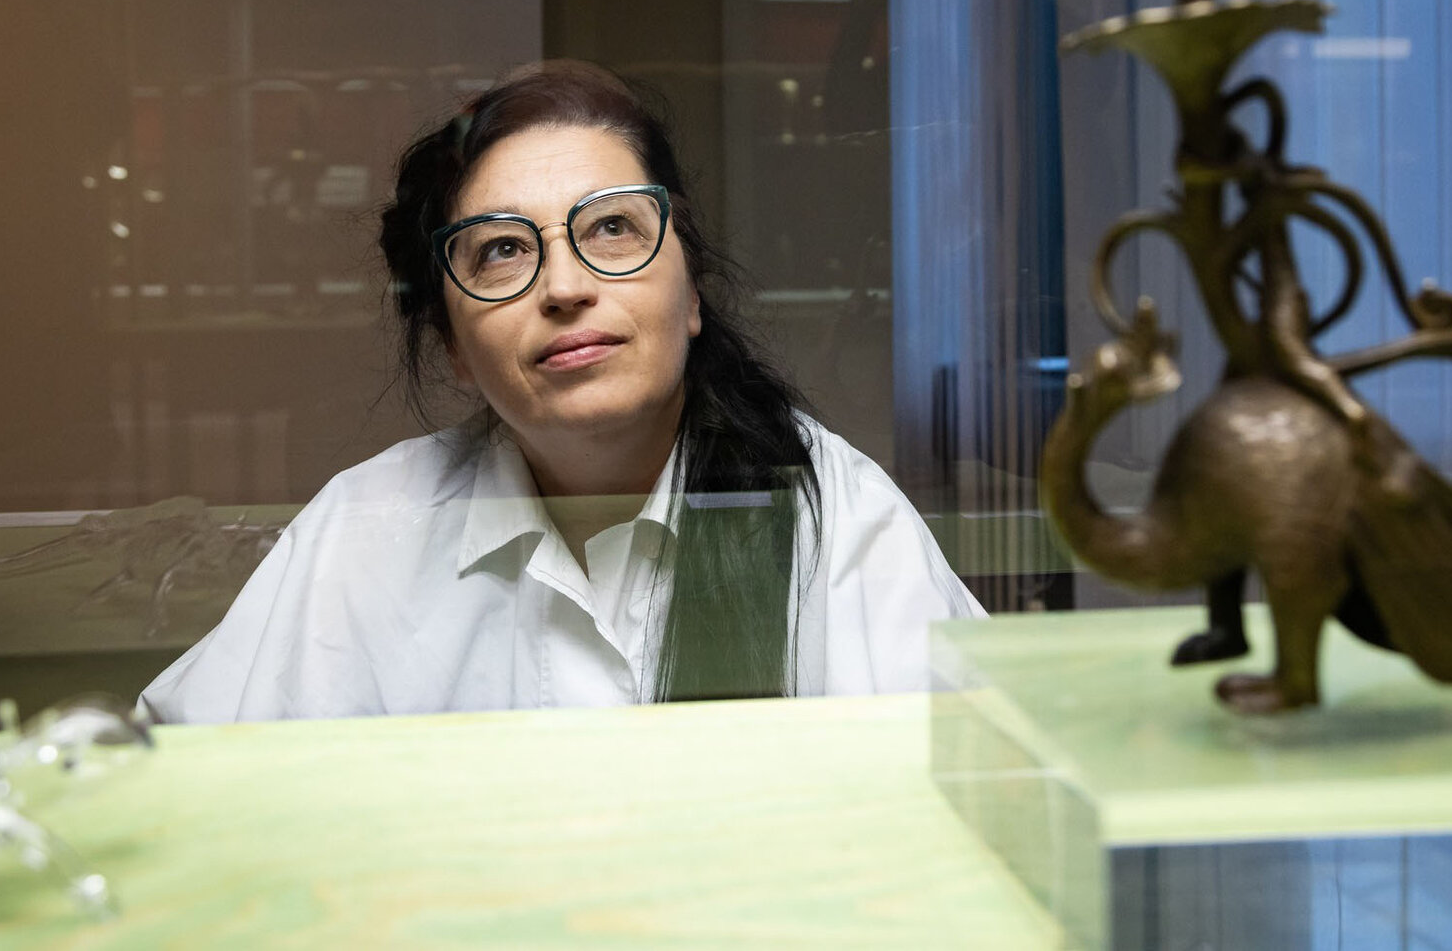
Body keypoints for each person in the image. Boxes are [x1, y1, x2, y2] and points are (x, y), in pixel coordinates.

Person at [141, 60, 983, 722]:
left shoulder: (837, 520)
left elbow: (975, 796)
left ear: (691, 292)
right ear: (453, 345)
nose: (566, 286)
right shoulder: (364, 534)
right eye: (502, 250)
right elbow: (188, 791)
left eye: (612, 227)